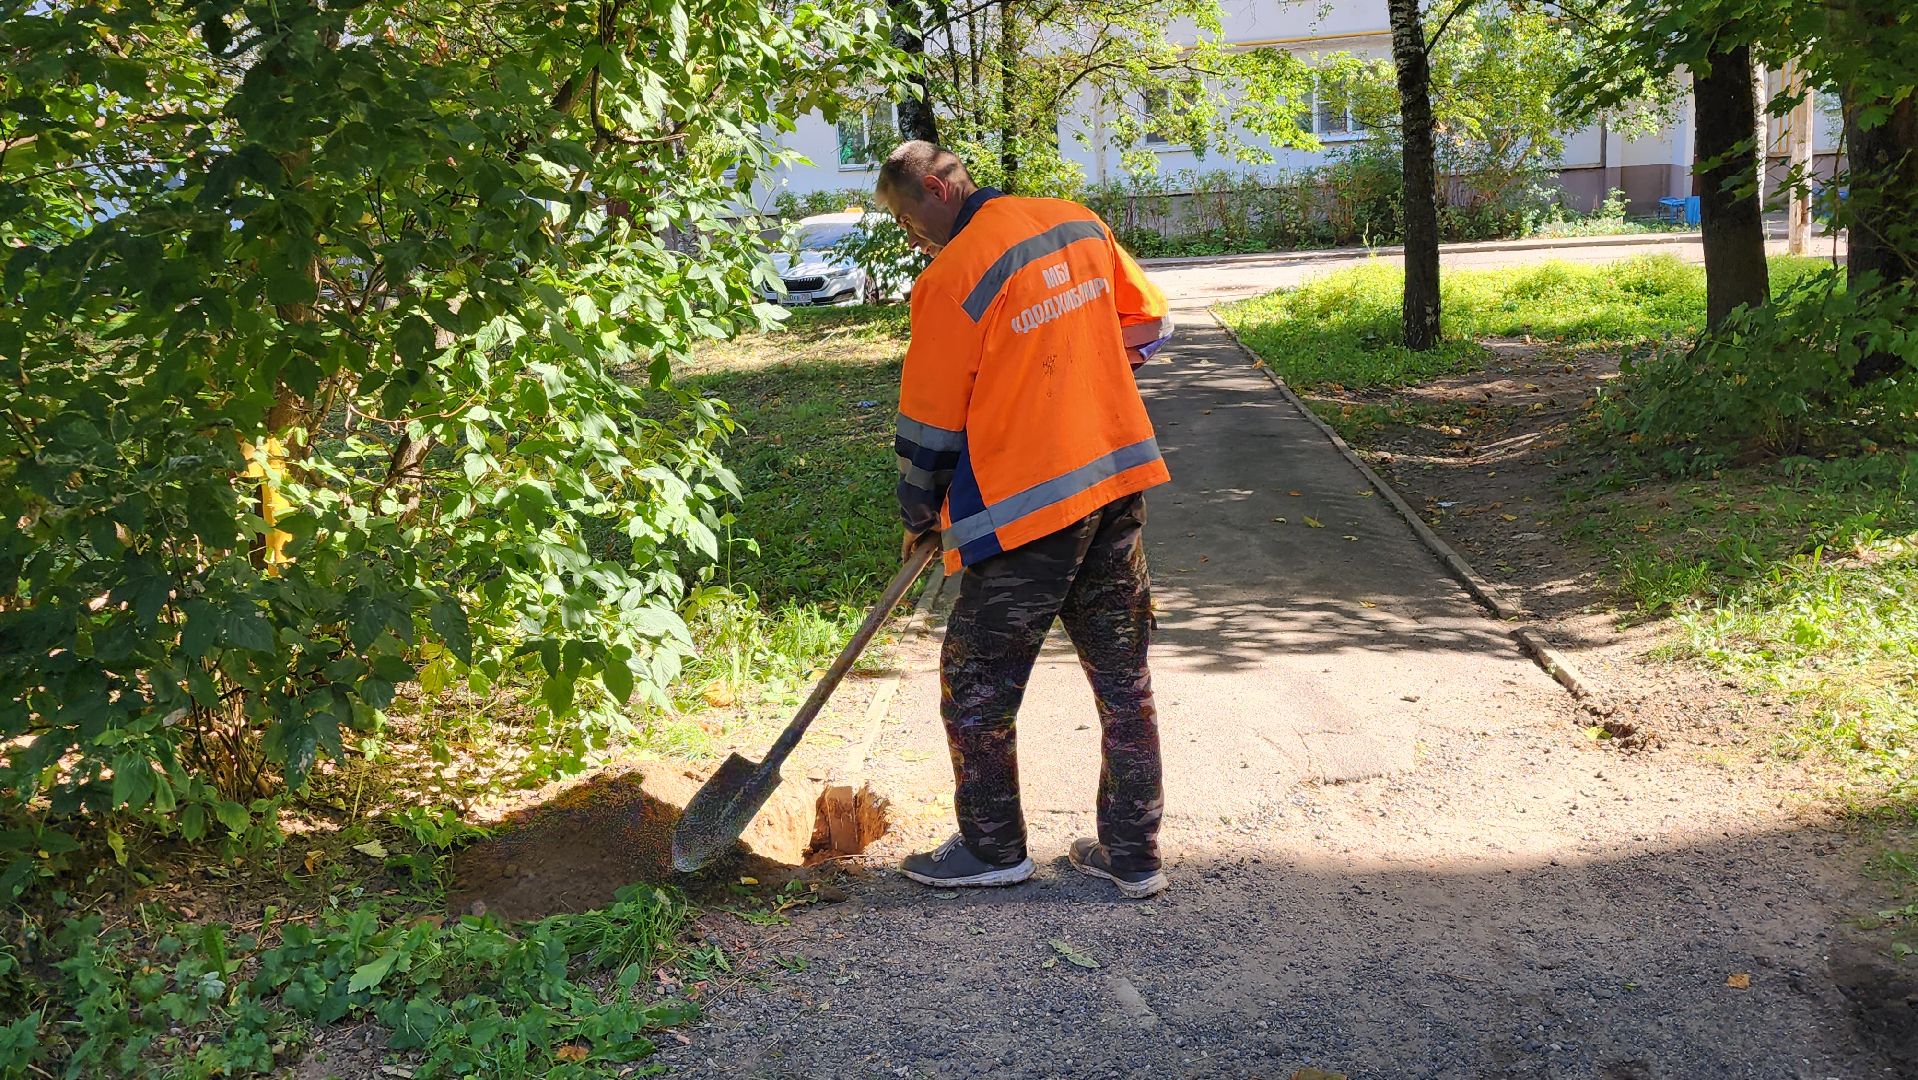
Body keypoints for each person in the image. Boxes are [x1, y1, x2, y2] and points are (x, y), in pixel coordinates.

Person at [873, 141, 1175, 900]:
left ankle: (993, 847)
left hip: (1029, 513)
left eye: (909, 221)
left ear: (940, 191)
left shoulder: (952, 279)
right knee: (1123, 676)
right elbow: (1149, 321)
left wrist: (919, 513)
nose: (914, 239)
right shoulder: (1076, 223)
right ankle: (1134, 856)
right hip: (1113, 483)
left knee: (975, 680)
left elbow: (930, 426)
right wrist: (1086, 369)